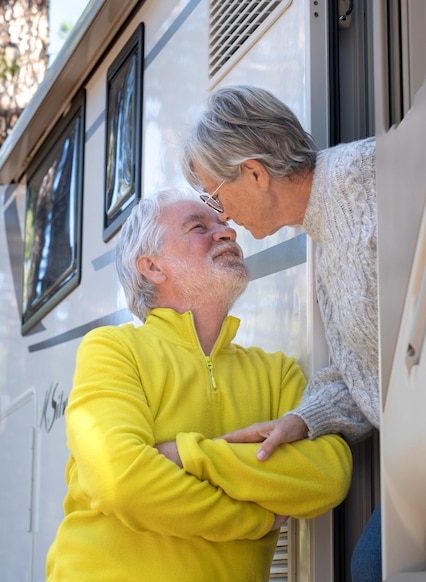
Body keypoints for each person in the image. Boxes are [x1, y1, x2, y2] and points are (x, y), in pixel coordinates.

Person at [45, 188, 352, 582]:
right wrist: (254, 518)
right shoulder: (113, 349)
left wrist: (187, 455)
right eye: (198, 227)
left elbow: (328, 475)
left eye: (224, 224)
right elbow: (119, 481)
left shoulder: (276, 373)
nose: (227, 233)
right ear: (153, 267)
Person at [181, 84, 379, 581]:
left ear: (253, 172)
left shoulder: (370, 177)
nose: (221, 216)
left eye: (214, 195)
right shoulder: (322, 230)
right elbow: (370, 368)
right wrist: (303, 420)